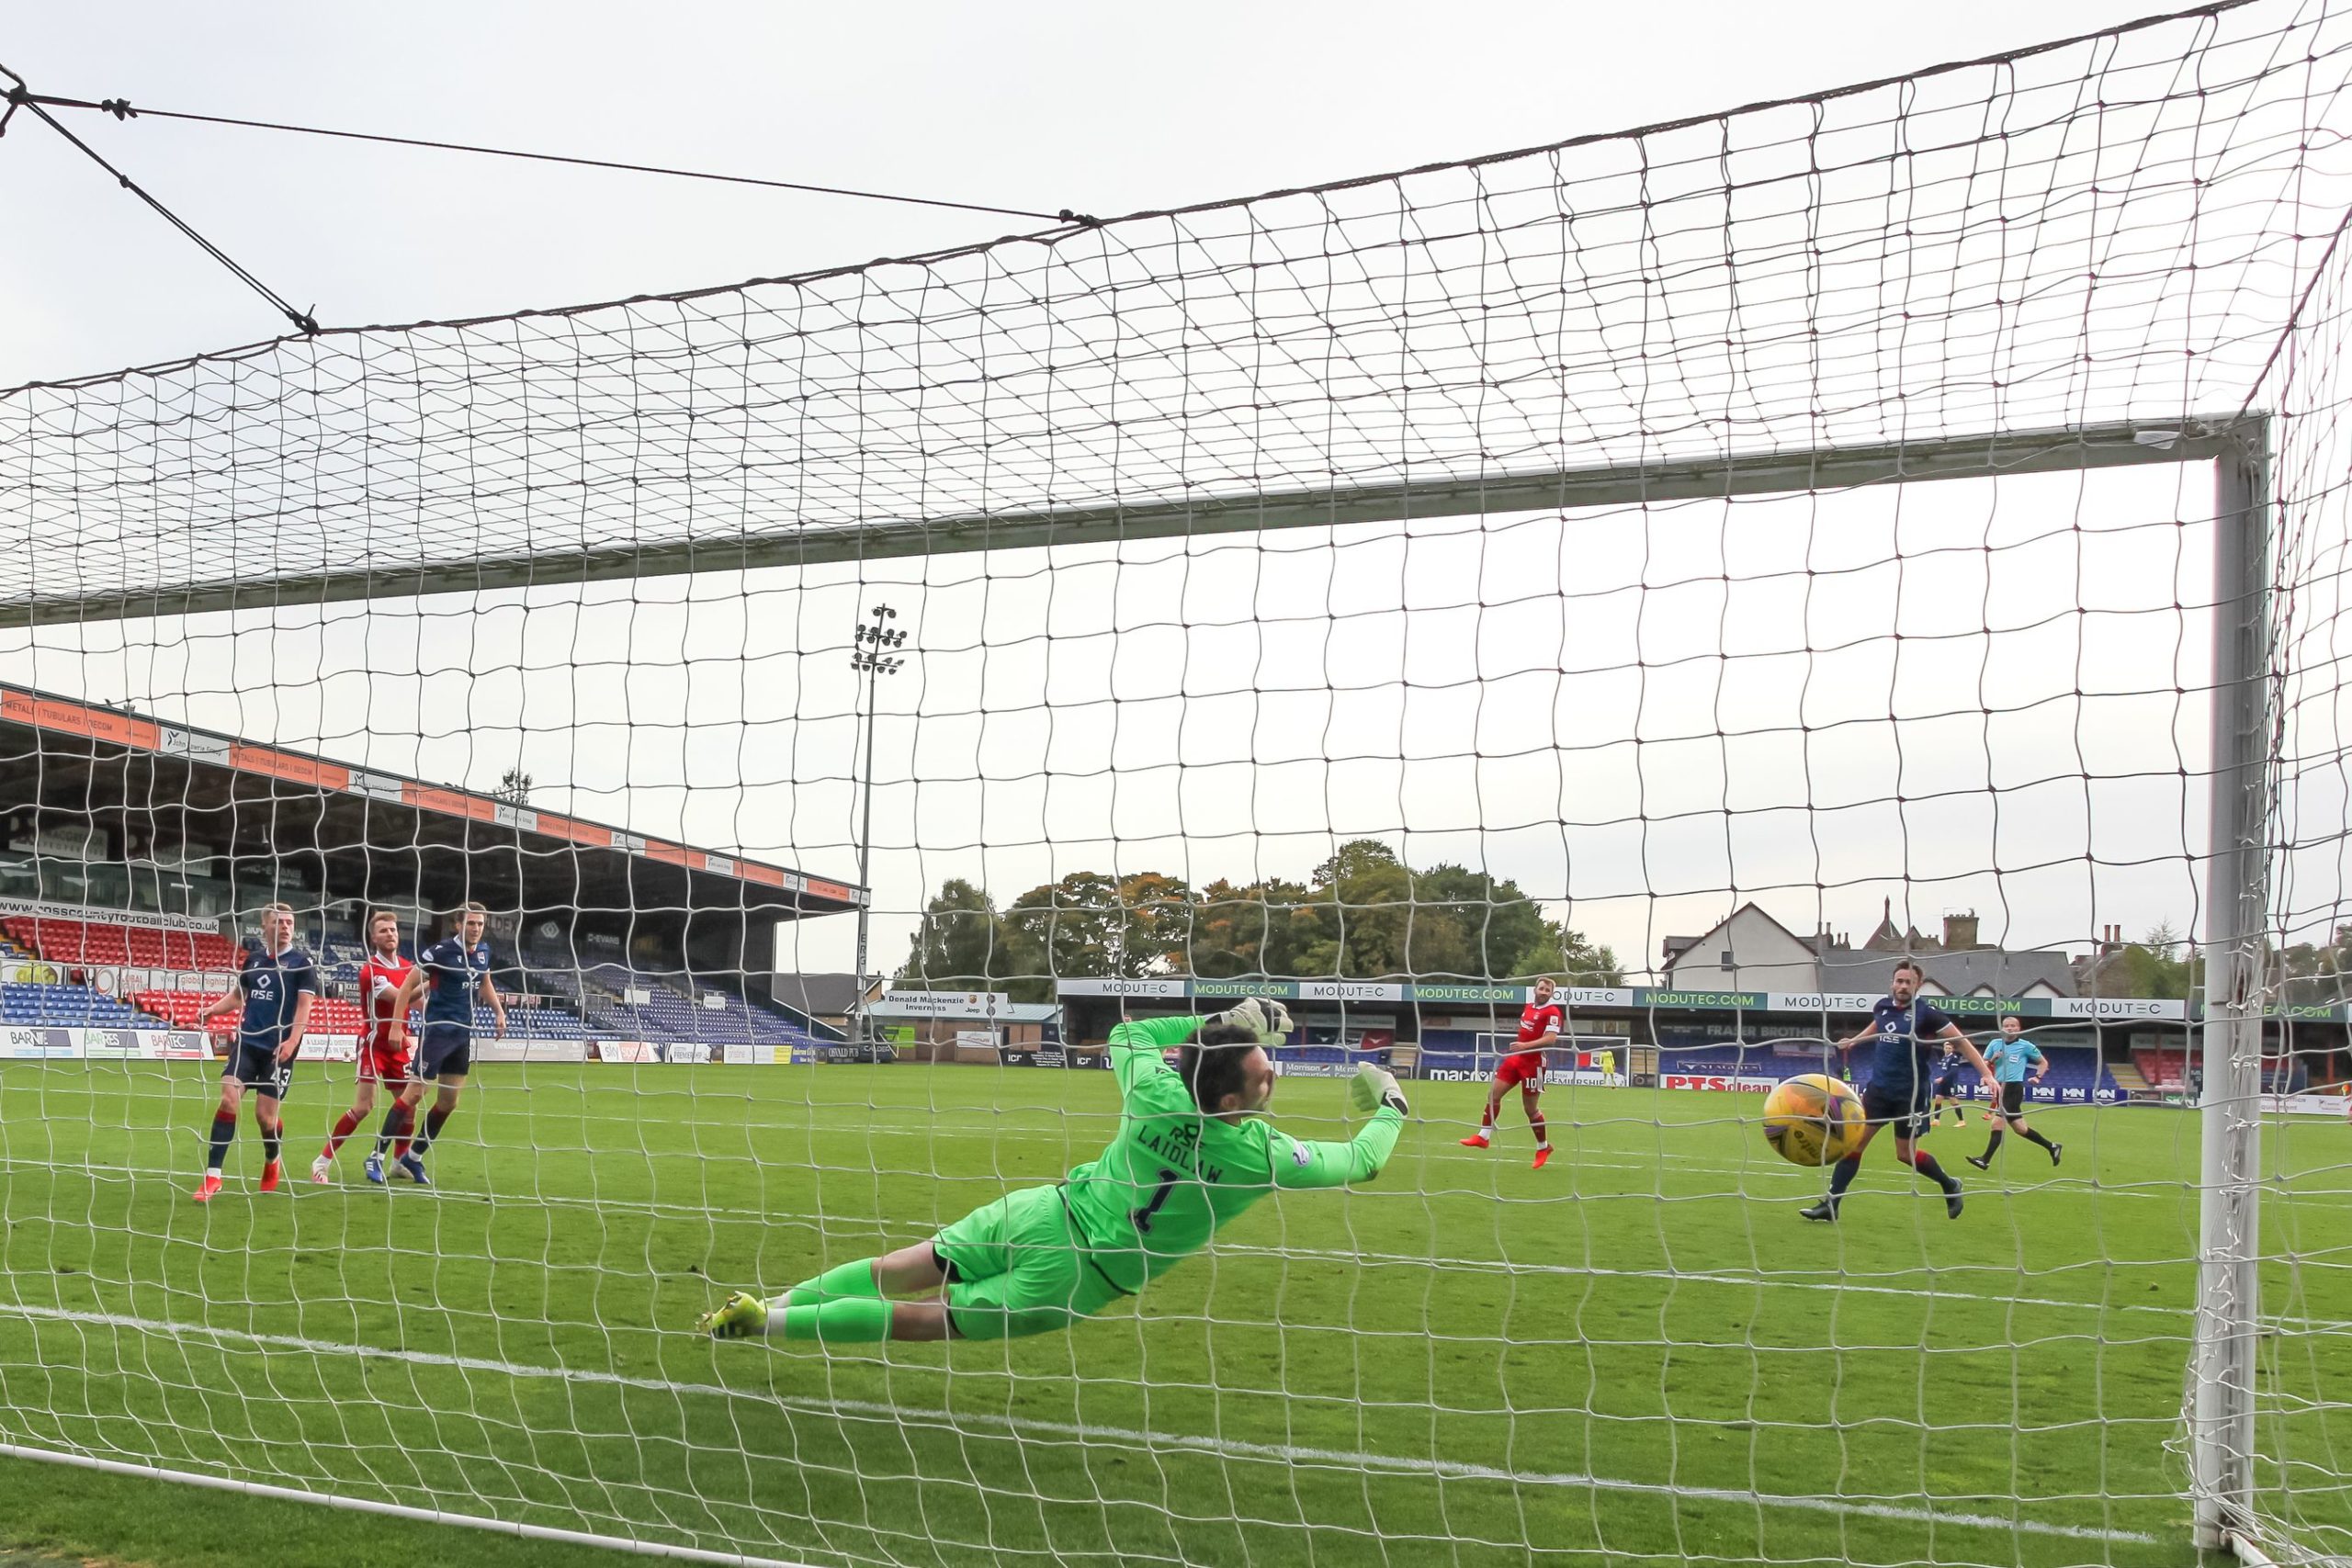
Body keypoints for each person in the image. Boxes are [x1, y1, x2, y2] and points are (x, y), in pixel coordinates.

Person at [697, 998, 1408, 1343]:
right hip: (1074, 1274)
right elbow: (1366, 1160)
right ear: (1230, 1101)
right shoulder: (1260, 1155)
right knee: (918, 1318)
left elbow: (1130, 1034)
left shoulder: (1155, 1091)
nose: (1272, 1079)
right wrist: (1392, 1104)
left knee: (896, 1267)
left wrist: (1227, 1015)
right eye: (1263, 1075)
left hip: (1042, 1211)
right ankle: (765, 1324)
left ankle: (762, 1303)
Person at [1801, 960, 1996, 1223]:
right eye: (1899, 981)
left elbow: (1961, 1042)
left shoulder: (1928, 1014)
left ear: (1918, 986)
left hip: (1910, 1095)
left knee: (1905, 1155)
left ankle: (1950, 1185)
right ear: (1892, 983)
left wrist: (1986, 1074)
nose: (1903, 986)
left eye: (1909, 982)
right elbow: (1878, 1026)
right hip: (1878, 1090)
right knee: (1853, 1146)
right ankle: (1831, 1205)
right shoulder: (1882, 1007)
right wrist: (1856, 1040)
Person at [368, 902, 505, 1186]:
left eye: (480, 924)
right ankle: (376, 1156)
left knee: (449, 1102)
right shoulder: (440, 953)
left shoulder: (483, 952)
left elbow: (484, 982)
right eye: (470, 923)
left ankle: (413, 1158)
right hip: (437, 1033)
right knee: (414, 1094)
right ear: (458, 925)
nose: (476, 928)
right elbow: (406, 987)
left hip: (462, 1035)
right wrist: (396, 1025)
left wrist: (498, 1011)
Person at [191, 903, 318, 1202]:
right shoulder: (254, 960)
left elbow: (304, 1007)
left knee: (265, 1118)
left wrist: (292, 1041)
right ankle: (213, 1177)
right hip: (247, 1043)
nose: (286, 927)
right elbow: (238, 997)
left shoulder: (302, 963)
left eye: (289, 922)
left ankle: (272, 1159)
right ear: (265, 925)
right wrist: (210, 1010)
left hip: (279, 1049)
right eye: (279, 922)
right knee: (228, 1098)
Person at [312, 909, 413, 1182]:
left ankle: (399, 1162)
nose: (390, 934)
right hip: (374, 1043)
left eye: (393, 929)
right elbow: (399, 997)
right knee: (364, 1107)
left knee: (409, 1104)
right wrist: (433, 983)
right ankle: (322, 1161)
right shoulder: (371, 971)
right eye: (383, 931)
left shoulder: (406, 966)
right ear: (373, 938)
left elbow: (417, 1003)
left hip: (399, 1045)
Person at [1459, 976, 1564, 1168]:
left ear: (1551, 994)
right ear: (1535, 989)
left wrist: (1525, 1045)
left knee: (1530, 1110)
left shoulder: (1553, 1012)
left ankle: (1543, 1147)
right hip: (1515, 1059)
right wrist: (1521, 1048)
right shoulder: (1528, 1006)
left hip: (1534, 1063)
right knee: (1493, 1095)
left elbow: (1551, 1039)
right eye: (1541, 988)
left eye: (1547, 991)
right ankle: (1484, 1136)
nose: (1543, 992)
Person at [1966, 1015, 2062, 1169]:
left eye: (2013, 1025)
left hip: (2014, 1088)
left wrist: (2038, 1077)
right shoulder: (1995, 1043)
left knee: (1997, 1122)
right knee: (2020, 1129)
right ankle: (2052, 1146)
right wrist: (1992, 1060)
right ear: (2002, 1028)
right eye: (2006, 1026)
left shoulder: (2025, 1046)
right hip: (2000, 1087)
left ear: (2019, 1028)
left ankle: (1985, 1160)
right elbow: (1983, 1063)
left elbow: (2043, 1062)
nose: (2009, 1028)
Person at [1928, 1049, 1971, 1128]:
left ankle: (1961, 1121)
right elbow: (1944, 1070)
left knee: (1953, 1101)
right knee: (1938, 1099)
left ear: (1952, 1049)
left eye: (1949, 1047)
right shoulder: (1944, 1058)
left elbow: (1953, 1071)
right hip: (1943, 1082)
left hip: (1950, 1082)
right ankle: (1936, 1120)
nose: (1947, 1049)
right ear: (1944, 1048)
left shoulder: (1954, 1057)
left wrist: (1942, 1078)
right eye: (1946, 1047)